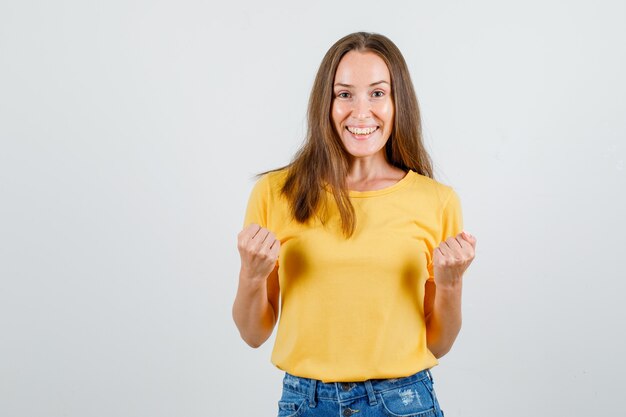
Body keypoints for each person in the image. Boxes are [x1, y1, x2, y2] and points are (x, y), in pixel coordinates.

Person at [232, 31, 477, 417]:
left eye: (378, 93)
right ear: (325, 104)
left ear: (399, 103)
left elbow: (439, 344)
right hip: (305, 404)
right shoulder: (275, 192)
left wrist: (450, 284)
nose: (361, 112)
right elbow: (253, 334)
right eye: (344, 94)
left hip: (404, 402)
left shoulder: (437, 201)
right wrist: (251, 274)